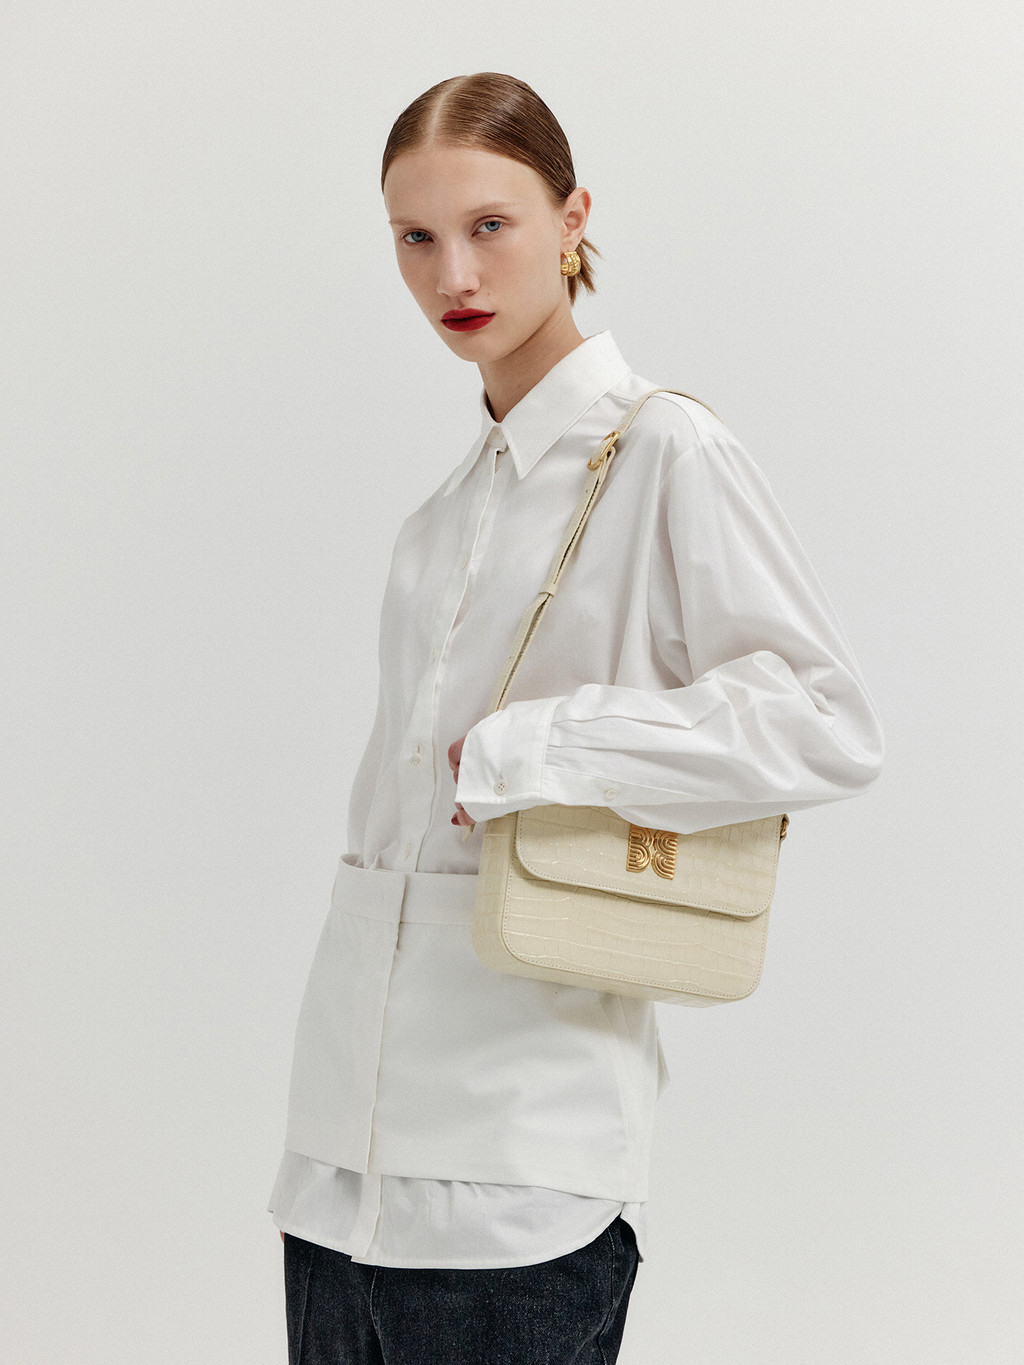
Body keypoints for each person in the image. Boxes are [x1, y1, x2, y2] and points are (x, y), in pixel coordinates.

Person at [268, 72, 884, 1364]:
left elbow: (823, 718)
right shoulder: (442, 513)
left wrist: (539, 747)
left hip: (519, 1170)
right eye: (416, 238)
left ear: (572, 217)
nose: (453, 275)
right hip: (336, 1173)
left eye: (490, 225)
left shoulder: (664, 451)